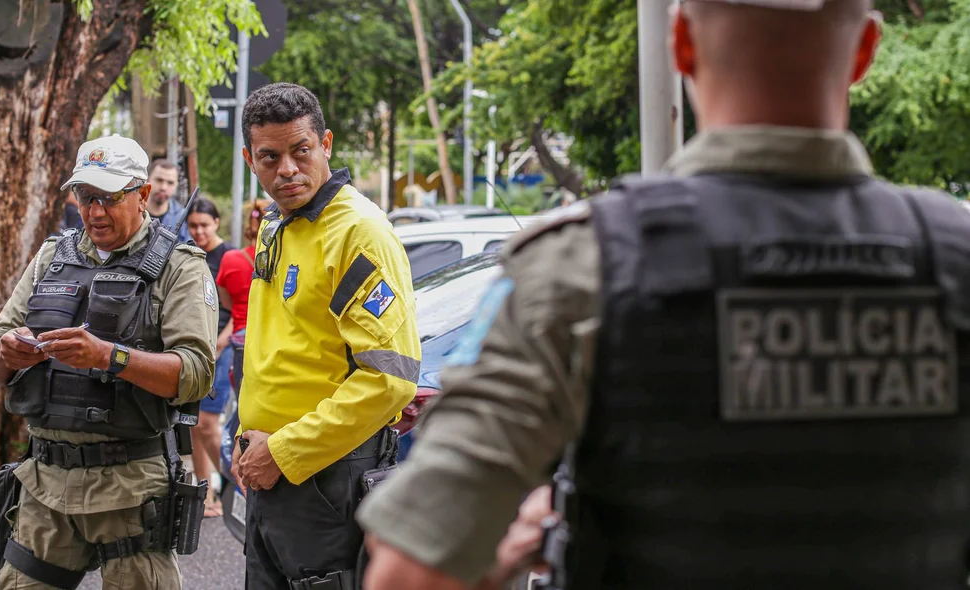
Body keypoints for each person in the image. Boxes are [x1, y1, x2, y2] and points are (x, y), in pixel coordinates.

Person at [360, 1, 970, 588]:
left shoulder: (578, 267)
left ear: (679, 42)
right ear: (865, 49)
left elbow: (412, 575)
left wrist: (517, 547)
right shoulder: (956, 256)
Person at [0, 134, 218, 589]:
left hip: (132, 492)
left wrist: (110, 356)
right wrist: (8, 352)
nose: (94, 211)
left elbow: (195, 374)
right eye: (85, 197)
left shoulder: (180, 265)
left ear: (143, 194)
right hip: (44, 486)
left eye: (109, 198)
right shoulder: (52, 257)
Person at [232, 82, 420, 590]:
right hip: (272, 467)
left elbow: (389, 381)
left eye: (301, 151)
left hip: (328, 477)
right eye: (270, 157)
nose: (287, 170)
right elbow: (276, 346)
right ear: (251, 159)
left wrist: (285, 451)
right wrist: (245, 435)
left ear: (327, 144)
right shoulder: (276, 224)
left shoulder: (359, 231)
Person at [186, 197, 234, 518]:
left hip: (221, 346)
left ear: (217, 222)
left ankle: (236, 486)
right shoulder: (189, 254)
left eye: (205, 224)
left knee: (208, 423)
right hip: (195, 346)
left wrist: (220, 341)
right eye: (193, 226)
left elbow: (240, 308)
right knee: (194, 423)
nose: (199, 231)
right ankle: (206, 495)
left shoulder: (229, 256)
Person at [216, 198, 270, 399]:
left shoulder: (231, 259)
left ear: (250, 225)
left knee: (243, 405)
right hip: (273, 340)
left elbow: (226, 302)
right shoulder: (285, 259)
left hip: (241, 342)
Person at [146, 158, 192, 244]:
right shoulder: (133, 211)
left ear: (176, 185)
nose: (163, 187)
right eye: (159, 180)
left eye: (170, 183)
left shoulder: (183, 218)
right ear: (148, 179)